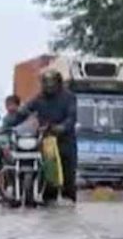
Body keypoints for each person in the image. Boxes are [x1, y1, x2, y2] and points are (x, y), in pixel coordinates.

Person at [9, 69, 78, 203]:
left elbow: (72, 117)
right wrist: (9, 123)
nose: (49, 86)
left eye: (52, 83)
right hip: (46, 140)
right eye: (46, 83)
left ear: (59, 83)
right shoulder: (39, 98)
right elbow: (23, 113)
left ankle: (69, 201)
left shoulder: (69, 97)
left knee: (68, 175)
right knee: (46, 174)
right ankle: (44, 199)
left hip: (65, 140)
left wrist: (62, 127)